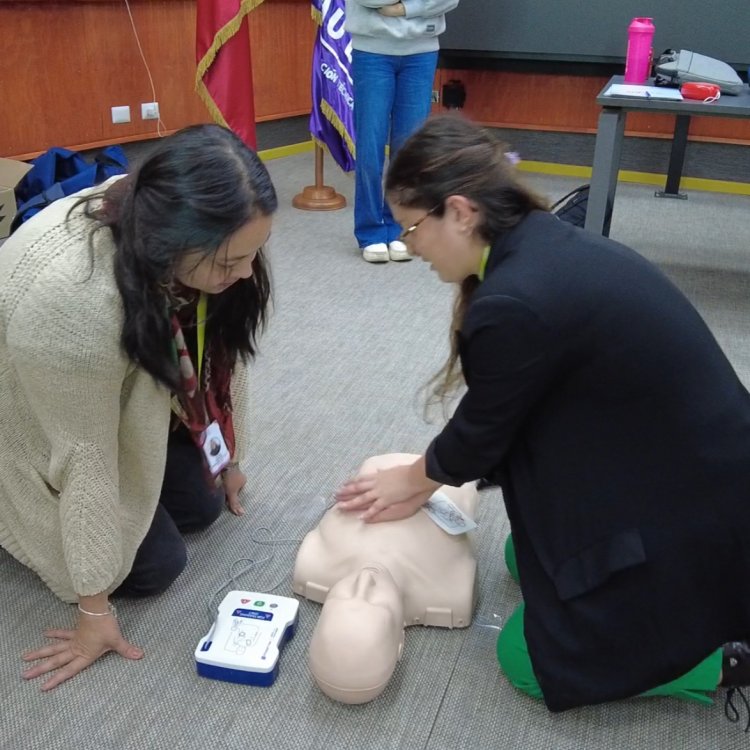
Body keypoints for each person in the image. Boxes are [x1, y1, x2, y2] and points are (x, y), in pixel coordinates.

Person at [335, 114, 750, 713]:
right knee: (519, 559)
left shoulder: (513, 300)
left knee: (526, 658)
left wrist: (414, 478)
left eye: (413, 227)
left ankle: (720, 658)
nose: (409, 244)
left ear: (460, 211)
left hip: (694, 509)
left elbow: (484, 433)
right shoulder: (534, 242)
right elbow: (509, 413)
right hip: (672, 471)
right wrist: (427, 476)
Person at [0, 124, 277, 691]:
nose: (246, 273)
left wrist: (229, 460)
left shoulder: (194, 233)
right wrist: (93, 612)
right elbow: (84, 455)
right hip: (32, 412)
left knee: (203, 506)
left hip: (131, 384)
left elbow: (222, 359)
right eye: (232, 262)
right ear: (172, 247)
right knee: (152, 567)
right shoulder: (74, 300)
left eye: (253, 254)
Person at [293, 453, 477, 703]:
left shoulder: (314, 563)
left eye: (343, 597)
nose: (364, 582)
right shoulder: (450, 588)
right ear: (399, 643)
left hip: (389, 468)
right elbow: (468, 478)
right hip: (454, 475)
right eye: (375, 603)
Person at [345, 0, 459, 263]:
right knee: (370, 147)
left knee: (410, 151)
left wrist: (403, 8)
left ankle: (400, 228)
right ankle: (371, 232)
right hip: (372, 51)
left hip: (421, 51)